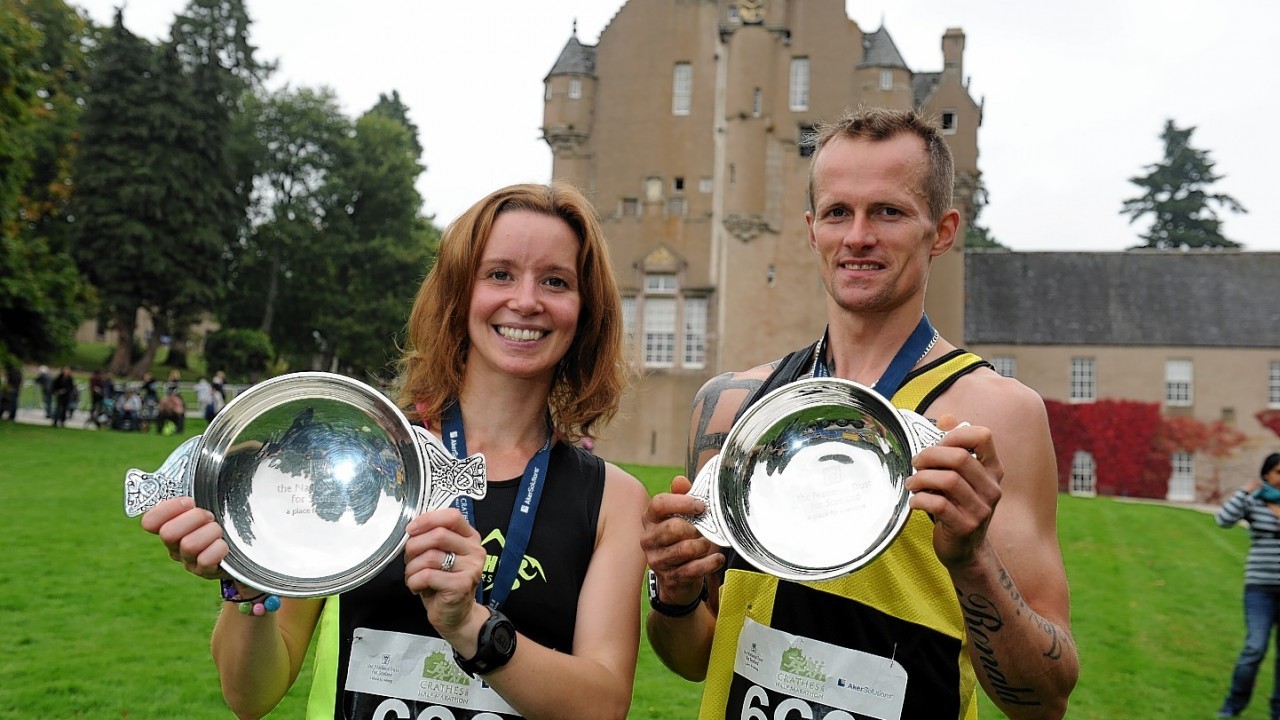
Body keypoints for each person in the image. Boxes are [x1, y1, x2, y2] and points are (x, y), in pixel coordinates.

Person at [138, 182, 649, 719]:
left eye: (555, 280)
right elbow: (250, 696)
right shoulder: (355, 455)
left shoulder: (613, 500)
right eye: (499, 274)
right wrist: (247, 587)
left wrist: (469, 627)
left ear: (586, 310)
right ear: (458, 293)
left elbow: (602, 706)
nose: (525, 300)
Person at [641, 107, 1079, 719]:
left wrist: (974, 562)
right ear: (811, 228)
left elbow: (1044, 700)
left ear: (944, 230)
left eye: (889, 212)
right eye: (838, 213)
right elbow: (694, 658)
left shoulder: (995, 417)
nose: (857, 237)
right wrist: (677, 594)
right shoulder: (734, 408)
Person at [1214, 452, 1280, 719]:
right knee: (1255, 647)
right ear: (1266, 474)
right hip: (1260, 590)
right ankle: (1233, 705)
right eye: (1278, 472)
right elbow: (1223, 519)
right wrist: (1244, 491)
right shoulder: (1255, 502)